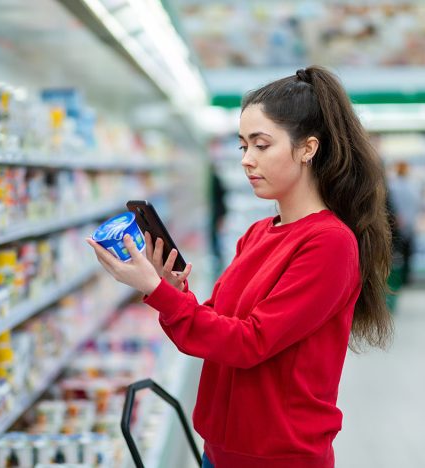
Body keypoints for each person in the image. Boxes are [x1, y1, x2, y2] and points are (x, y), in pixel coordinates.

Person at [87, 66, 393, 468]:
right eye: (242, 146)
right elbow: (215, 329)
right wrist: (171, 290)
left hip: (278, 458)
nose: (247, 160)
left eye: (261, 145)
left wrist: (160, 295)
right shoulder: (258, 233)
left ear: (307, 148)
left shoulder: (329, 243)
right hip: (221, 451)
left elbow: (249, 343)